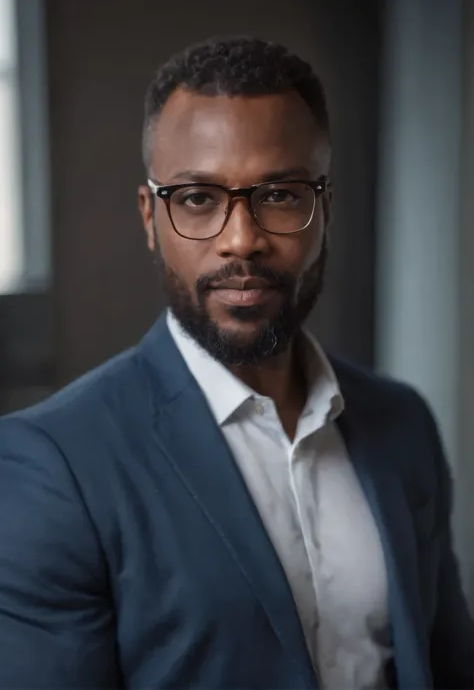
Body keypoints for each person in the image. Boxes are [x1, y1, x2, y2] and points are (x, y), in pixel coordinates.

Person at [0, 36, 472, 690]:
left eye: (279, 195)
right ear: (150, 218)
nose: (241, 239)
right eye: (197, 198)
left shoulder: (402, 423)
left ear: (324, 209)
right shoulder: (52, 467)